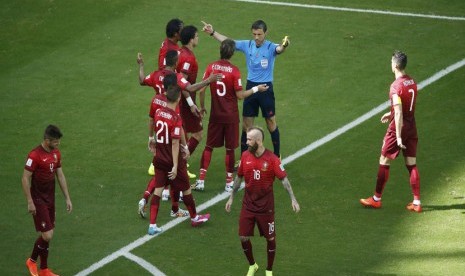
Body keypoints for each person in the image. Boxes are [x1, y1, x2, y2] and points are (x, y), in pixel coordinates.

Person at [137, 50, 221, 206]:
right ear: (176, 63)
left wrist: (141, 65)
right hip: (174, 121)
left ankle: (159, 194)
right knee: (177, 162)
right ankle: (178, 197)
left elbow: (142, 80)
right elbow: (191, 88)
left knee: (162, 163)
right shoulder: (177, 77)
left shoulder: (156, 75)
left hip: (159, 121)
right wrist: (208, 80)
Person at [202, 20, 290, 159]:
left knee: (271, 122)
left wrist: (284, 45)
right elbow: (228, 42)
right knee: (246, 125)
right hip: (251, 87)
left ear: (265, 33)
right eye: (254, 34)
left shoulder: (270, 47)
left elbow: (279, 49)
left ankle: (277, 154)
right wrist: (213, 32)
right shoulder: (247, 45)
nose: (256, 37)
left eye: (259, 34)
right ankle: (244, 158)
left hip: (266, 88)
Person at [193, 39, 268, 192]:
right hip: (231, 116)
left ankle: (201, 181)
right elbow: (240, 95)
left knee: (208, 147)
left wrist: (202, 107)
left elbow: (201, 90)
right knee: (230, 149)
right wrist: (256, 89)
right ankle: (228, 183)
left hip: (215, 115)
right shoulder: (234, 71)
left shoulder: (211, 67)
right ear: (232, 53)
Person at [225, 127, 300, 276]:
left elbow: (284, 180)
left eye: (249, 140)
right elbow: (239, 178)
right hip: (248, 205)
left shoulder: (272, 159)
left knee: (270, 238)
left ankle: (269, 270)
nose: (246, 143)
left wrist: (293, 199)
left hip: (266, 208)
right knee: (243, 236)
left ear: (258, 141)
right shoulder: (245, 157)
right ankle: (253, 265)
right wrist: (231, 197)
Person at [360, 51, 422, 212]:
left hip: (398, 128)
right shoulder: (411, 81)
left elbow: (400, 111)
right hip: (411, 125)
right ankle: (417, 202)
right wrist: (391, 112)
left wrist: (399, 136)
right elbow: (405, 107)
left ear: (395, 65)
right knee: (411, 163)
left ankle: (376, 199)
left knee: (384, 160)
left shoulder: (396, 86)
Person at [147, 84, 211, 235]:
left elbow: (159, 132)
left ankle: (152, 225)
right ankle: (194, 218)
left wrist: (153, 140)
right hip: (171, 160)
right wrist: (176, 165)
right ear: (178, 97)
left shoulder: (158, 112)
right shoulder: (175, 117)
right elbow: (175, 142)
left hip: (159, 158)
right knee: (187, 189)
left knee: (158, 191)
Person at [22, 125, 73, 276]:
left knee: (49, 232)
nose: (58, 144)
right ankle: (31, 261)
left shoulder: (56, 153)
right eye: (56, 142)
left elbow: (60, 175)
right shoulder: (34, 155)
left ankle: (44, 269)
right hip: (38, 199)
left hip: (50, 199)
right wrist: (30, 201)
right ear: (47, 140)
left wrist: (67, 198)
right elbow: (25, 178)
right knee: (47, 235)